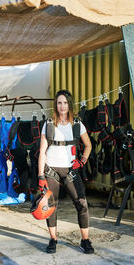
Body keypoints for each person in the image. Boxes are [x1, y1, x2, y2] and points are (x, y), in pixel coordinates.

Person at [38, 89, 94, 254]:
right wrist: (41, 175)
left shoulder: (77, 124)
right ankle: (53, 240)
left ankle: (85, 240)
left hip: (70, 170)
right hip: (51, 170)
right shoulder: (48, 124)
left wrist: (82, 160)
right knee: (51, 206)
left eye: (65, 102)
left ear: (70, 104)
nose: (62, 106)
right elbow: (42, 151)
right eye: (59, 103)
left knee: (82, 204)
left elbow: (88, 145)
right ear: (56, 105)